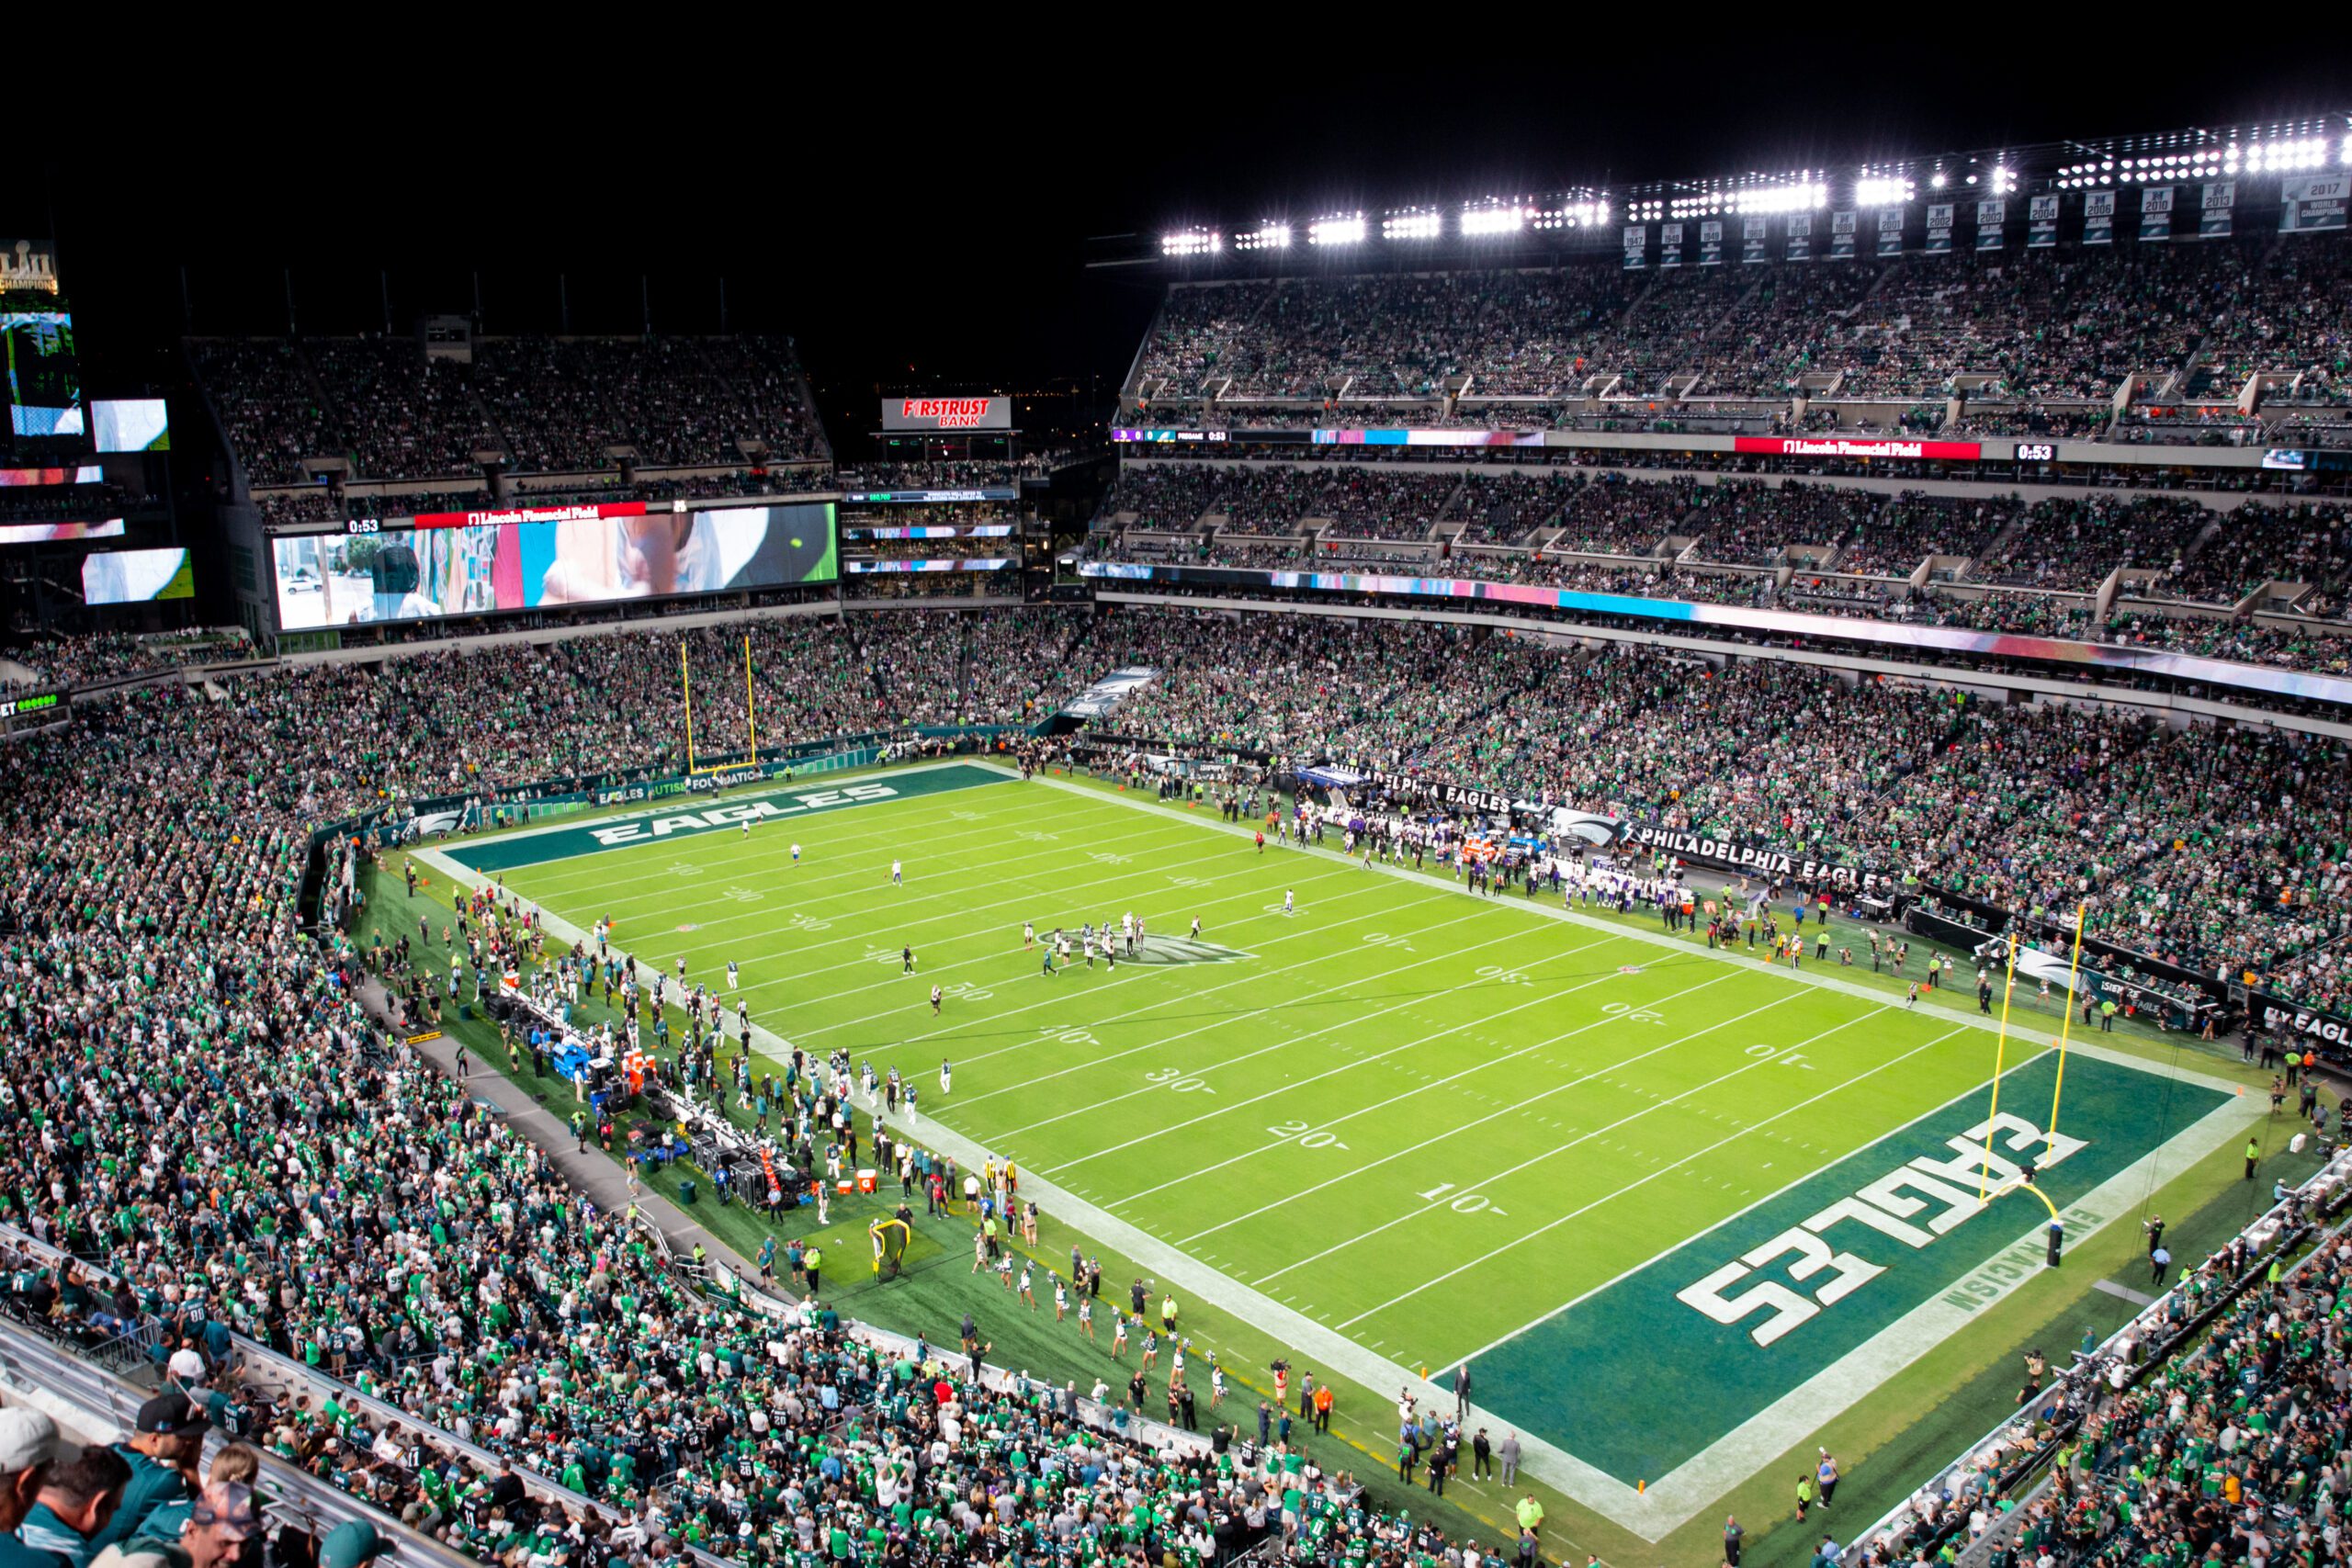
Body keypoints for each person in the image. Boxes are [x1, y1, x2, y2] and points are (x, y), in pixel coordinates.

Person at [86, 1395, 202, 1554]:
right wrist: (190, 1470)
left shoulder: (108, 1451)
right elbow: (200, 1523)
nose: (189, 1442)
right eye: (182, 1437)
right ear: (154, 1439)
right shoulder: (164, 1482)